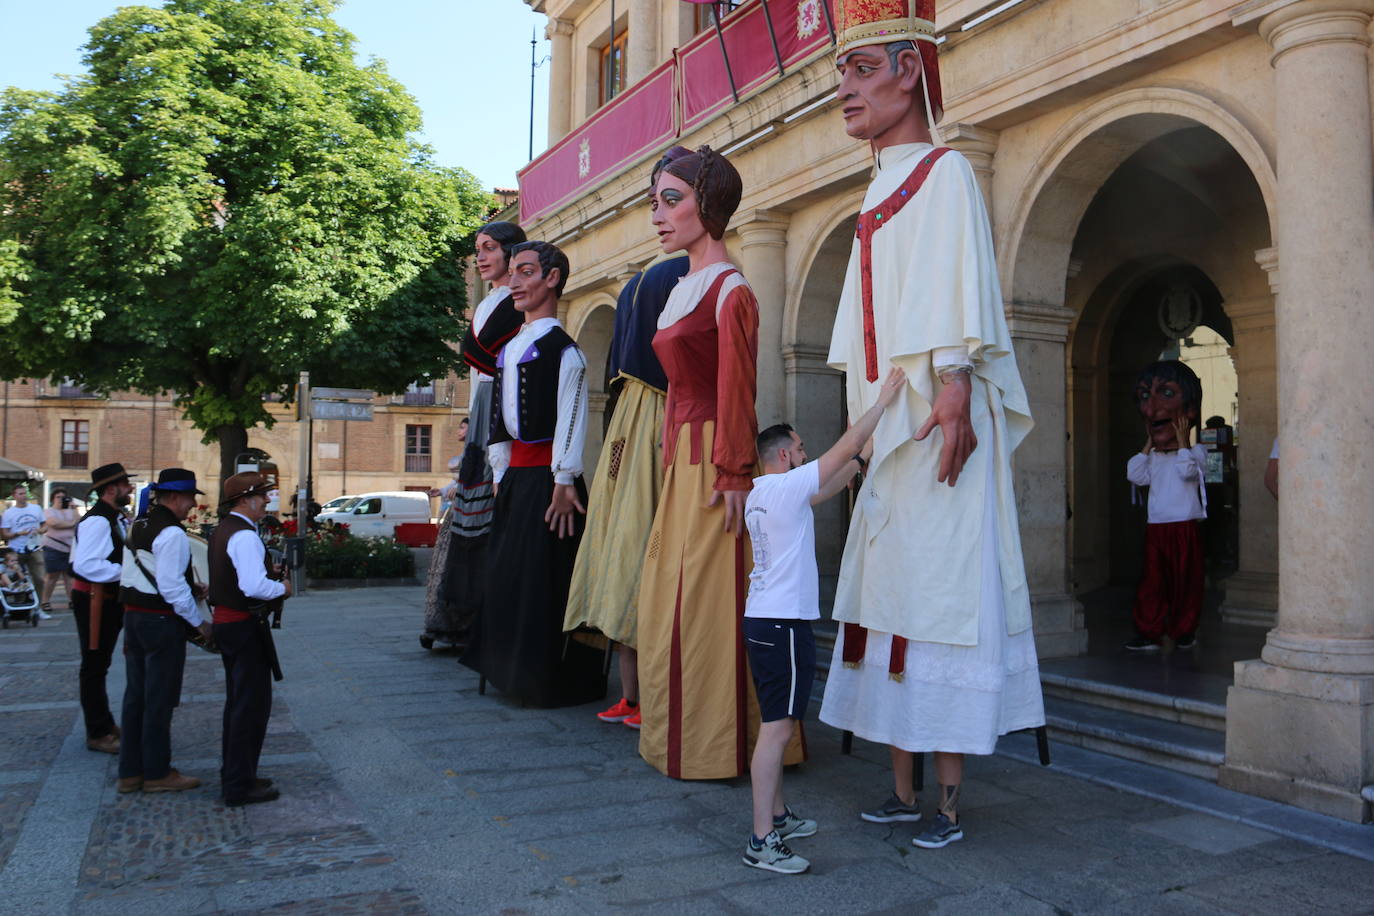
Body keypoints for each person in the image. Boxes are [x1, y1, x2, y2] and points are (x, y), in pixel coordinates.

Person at [819, 0, 1044, 850]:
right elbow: (864, 331)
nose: (845, 89)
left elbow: (956, 283)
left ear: (911, 71)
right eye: (841, 72)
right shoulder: (876, 187)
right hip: (891, 427)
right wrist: (864, 426)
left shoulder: (944, 171)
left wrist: (953, 381)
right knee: (893, 593)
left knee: (944, 596)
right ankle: (903, 790)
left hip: (940, 418)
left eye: (862, 69)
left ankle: (947, 804)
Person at [635, 144, 804, 780]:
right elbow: (678, 388)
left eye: (671, 199)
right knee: (668, 599)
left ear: (709, 204)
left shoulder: (731, 291)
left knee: (711, 600)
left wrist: (735, 471)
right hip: (682, 458)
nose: (658, 214)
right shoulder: (682, 288)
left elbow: (739, 389)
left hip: (713, 461)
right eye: (655, 201)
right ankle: (679, 737)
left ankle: (723, 744)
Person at [741, 366, 908, 875]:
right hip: (779, 624)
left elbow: (827, 485)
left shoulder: (765, 493)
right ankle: (761, 839)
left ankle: (776, 815)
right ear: (785, 455)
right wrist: (881, 404)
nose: (806, 450)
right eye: (800, 445)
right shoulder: (783, 488)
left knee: (780, 723)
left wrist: (862, 460)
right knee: (777, 728)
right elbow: (832, 458)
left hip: (767, 621)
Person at [461, 240, 605, 706]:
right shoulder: (508, 350)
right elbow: (499, 422)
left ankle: (549, 679)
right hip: (516, 480)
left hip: (549, 483)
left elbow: (572, 417)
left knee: (545, 579)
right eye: (515, 272)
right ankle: (506, 669)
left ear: (552, 279)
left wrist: (564, 480)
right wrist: (500, 472)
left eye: (526, 272)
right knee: (506, 573)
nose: (515, 282)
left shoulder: (566, 352)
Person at [564, 245, 691, 731]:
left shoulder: (637, 280)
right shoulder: (681, 273)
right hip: (664, 411)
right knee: (648, 545)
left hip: (626, 420)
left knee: (623, 542)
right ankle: (652, 700)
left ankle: (634, 698)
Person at [433, 222, 528, 648]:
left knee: (490, 515)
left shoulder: (517, 303)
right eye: (479, 249)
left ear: (512, 252)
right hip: (482, 407)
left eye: (491, 248)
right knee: (471, 521)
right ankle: (462, 620)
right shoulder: (490, 302)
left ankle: (483, 621)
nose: (482, 257)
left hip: (501, 407)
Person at [116, 468, 212, 794]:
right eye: (189, 499)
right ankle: (157, 772)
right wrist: (199, 623)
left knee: (135, 697)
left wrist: (188, 586)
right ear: (174, 497)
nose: (191, 506)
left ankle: (130, 772)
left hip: (133, 618)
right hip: (159, 622)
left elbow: (144, 572)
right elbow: (171, 589)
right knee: (159, 699)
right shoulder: (172, 533)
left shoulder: (139, 523)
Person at [210, 472, 290, 807]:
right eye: (263, 495)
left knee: (241, 704)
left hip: (232, 625)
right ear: (245, 499)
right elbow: (253, 587)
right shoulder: (243, 536)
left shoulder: (226, 530)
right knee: (249, 708)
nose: (267, 500)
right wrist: (281, 588)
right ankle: (239, 784)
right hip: (242, 626)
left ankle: (238, 774)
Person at [1125, 360, 1207, 652]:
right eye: (1145, 397)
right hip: (1157, 525)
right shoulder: (1154, 458)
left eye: (1166, 394)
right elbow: (1134, 474)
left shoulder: (1195, 453)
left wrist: (1184, 441)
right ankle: (1150, 631)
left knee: (1186, 581)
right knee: (1153, 582)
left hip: (1183, 525)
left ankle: (1184, 630)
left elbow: (1188, 472)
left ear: (1190, 411)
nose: (1151, 409)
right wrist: (1148, 444)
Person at [71, 463, 135, 755]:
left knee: (100, 664)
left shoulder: (112, 517)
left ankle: (105, 724)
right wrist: (128, 571)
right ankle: (97, 731)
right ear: (111, 489)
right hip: (95, 600)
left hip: (107, 598)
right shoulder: (97, 521)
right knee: (94, 665)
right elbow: (85, 566)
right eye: (124, 485)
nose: (129, 489)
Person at [3, 484, 48, 610]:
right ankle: (20, 607)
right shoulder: (8, 513)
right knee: (18, 578)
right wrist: (18, 533)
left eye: (25, 493)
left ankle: (38, 607)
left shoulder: (36, 508)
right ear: (14, 495)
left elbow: (45, 526)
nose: (23, 497)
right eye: (20, 494)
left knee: (39, 578)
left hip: (34, 547)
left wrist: (40, 530)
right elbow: (5, 534)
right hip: (17, 549)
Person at [41, 488, 78, 615]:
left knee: (68, 576)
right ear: (52, 499)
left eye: (63, 497)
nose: (61, 499)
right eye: (58, 497)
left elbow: (78, 522)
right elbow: (54, 523)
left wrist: (74, 510)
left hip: (69, 547)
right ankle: (45, 601)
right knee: (52, 576)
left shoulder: (71, 511)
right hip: (53, 546)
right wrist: (71, 523)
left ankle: (71, 599)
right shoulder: (49, 511)